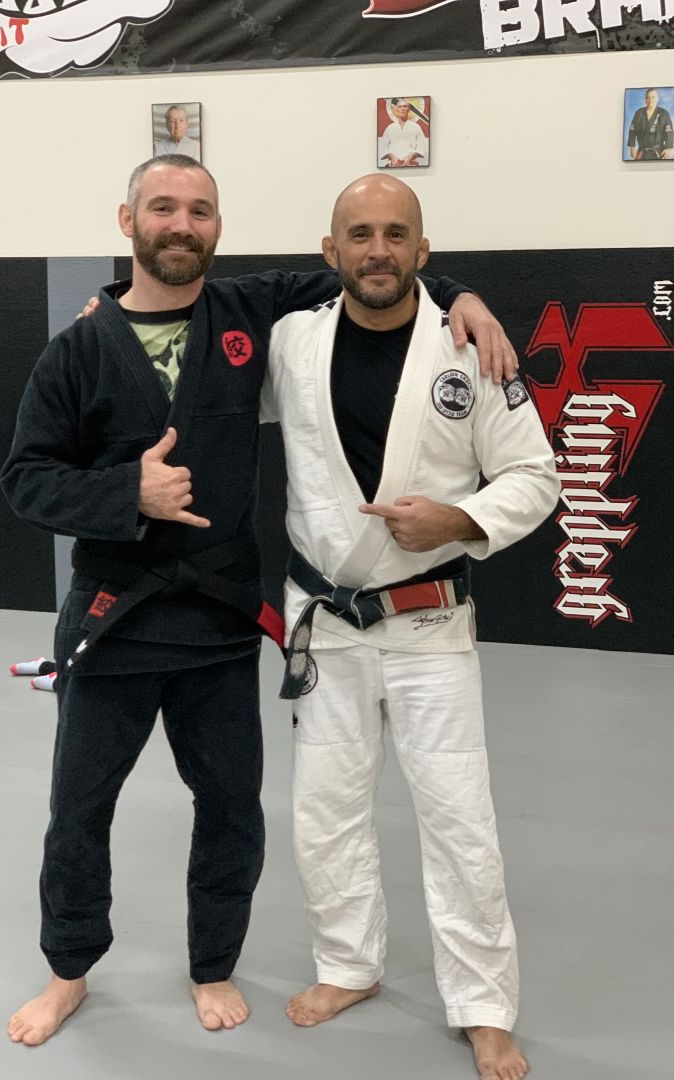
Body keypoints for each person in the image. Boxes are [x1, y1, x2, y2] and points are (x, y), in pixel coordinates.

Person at [0, 153, 517, 1047]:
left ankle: (212, 965)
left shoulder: (248, 312)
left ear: (218, 227)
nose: (182, 225)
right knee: (79, 810)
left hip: (218, 620)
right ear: (127, 221)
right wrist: (125, 492)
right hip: (113, 616)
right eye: (163, 208)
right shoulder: (77, 350)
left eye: (200, 210)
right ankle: (67, 971)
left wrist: (463, 294)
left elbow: (373, 272)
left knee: (233, 811)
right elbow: (25, 479)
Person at [262, 174, 560, 1080]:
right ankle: (348, 964)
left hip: (429, 625)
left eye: (397, 234)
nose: (378, 249)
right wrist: (114, 314)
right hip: (327, 624)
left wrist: (459, 520)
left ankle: (484, 1005)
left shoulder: (470, 346)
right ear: (331, 252)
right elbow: (204, 375)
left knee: (459, 817)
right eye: (360, 234)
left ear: (424, 252)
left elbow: (535, 477)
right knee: (325, 812)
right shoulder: (291, 343)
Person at [378, 97, 428, 168]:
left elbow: (421, 146)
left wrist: (412, 156)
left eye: (405, 106)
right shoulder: (390, 127)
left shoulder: (416, 127)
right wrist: (392, 156)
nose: (402, 109)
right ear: (396, 110)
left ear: (409, 109)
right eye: (400, 107)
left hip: (411, 164)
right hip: (393, 165)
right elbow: (383, 146)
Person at [627, 88, 673, 160]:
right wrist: (632, 147)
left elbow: (669, 132)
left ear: (657, 99)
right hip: (641, 152)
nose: (650, 100)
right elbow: (632, 130)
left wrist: (668, 148)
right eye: (648, 98)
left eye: (653, 97)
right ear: (645, 100)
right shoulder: (639, 113)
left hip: (659, 152)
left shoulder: (664, 113)